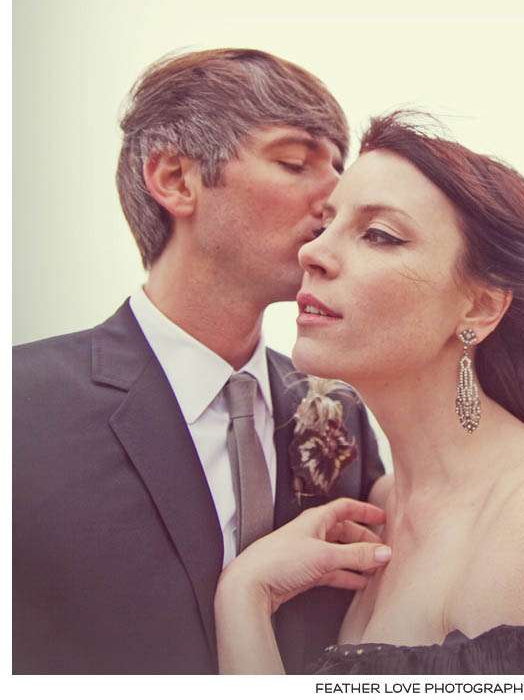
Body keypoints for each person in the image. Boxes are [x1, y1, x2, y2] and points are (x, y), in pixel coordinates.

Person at [213, 111, 524, 675]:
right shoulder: (379, 507)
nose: (313, 253)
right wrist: (248, 591)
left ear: (479, 307)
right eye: (325, 224)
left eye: (379, 235)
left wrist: (242, 600)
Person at [12, 49, 385, 674]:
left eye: (338, 168)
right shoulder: (21, 407)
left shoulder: (339, 412)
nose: (335, 198)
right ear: (175, 180)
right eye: (295, 162)